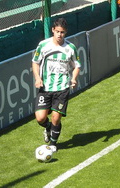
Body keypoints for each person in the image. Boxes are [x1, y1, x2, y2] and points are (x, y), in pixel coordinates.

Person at [32, 18, 81, 152]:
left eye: (63, 32)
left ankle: (53, 144)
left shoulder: (70, 48)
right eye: (57, 31)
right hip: (45, 88)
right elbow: (35, 62)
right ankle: (48, 128)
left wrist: (74, 78)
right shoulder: (43, 45)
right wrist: (37, 78)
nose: (60, 35)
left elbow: (77, 66)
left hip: (62, 88)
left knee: (56, 116)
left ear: (66, 32)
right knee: (40, 118)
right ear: (53, 30)